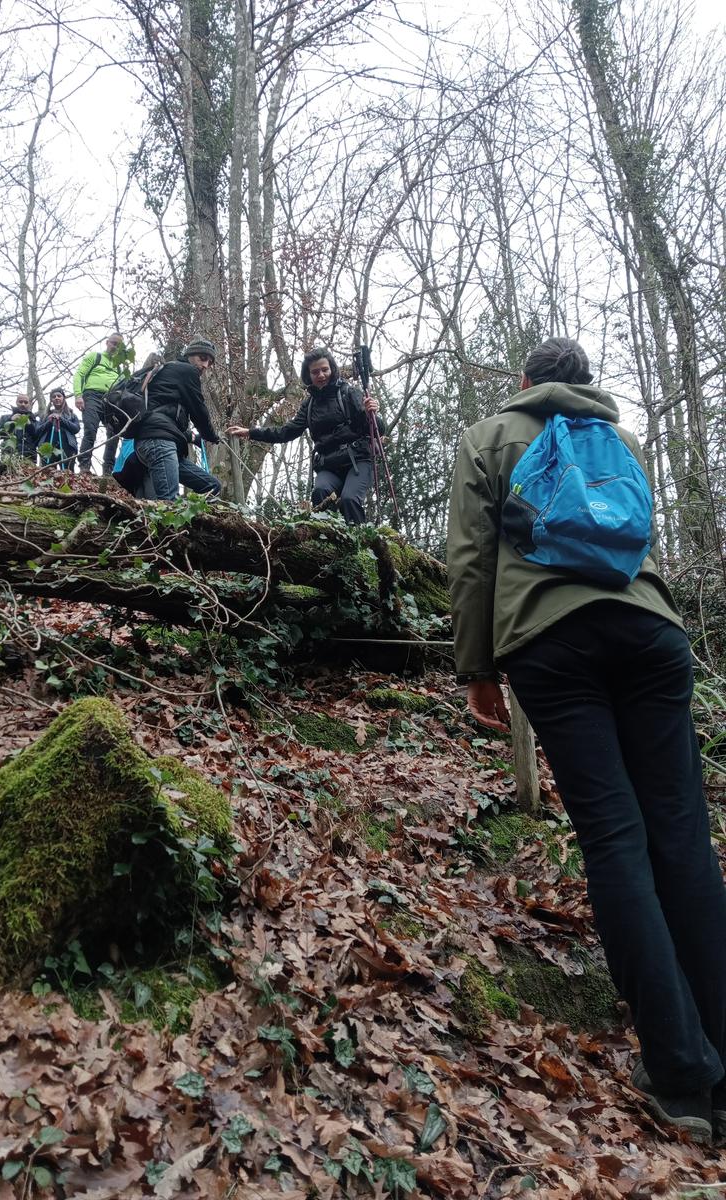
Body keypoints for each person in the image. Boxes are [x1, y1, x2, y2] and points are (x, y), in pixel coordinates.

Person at [446, 335, 726, 1144]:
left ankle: (681, 1076)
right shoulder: (622, 439)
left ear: (523, 380)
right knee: (684, 839)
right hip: (652, 633)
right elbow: (633, 536)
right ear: (587, 382)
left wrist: (477, 668)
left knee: (614, 839)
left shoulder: (489, 436)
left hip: (552, 641)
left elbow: (471, 559)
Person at [227, 346, 383, 525]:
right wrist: (251, 432)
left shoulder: (349, 393)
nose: (321, 375)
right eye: (315, 372)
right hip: (329, 464)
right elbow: (285, 432)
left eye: (325, 370)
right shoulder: (309, 406)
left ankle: (359, 538)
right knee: (320, 492)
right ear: (308, 376)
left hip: (358, 460)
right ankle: (327, 536)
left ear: (332, 369)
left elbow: (378, 429)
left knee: (350, 499)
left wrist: (369, 413)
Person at [127, 337, 221, 500]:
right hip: (158, 442)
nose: (205, 365)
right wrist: (212, 436)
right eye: (203, 358)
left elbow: (169, 415)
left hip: (160, 443)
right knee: (168, 502)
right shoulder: (186, 371)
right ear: (190, 355)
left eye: (210, 363)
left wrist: (192, 437)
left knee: (212, 486)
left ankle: (193, 515)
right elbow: (199, 411)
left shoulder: (171, 372)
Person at [73, 333, 124, 474]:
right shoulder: (95, 357)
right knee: (90, 429)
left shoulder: (119, 367)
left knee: (114, 433)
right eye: (113, 343)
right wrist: (78, 395)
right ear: (107, 342)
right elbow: (79, 374)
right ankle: (84, 466)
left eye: (119, 345)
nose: (115, 347)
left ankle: (108, 470)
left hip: (111, 401)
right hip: (92, 396)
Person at [36, 388, 80, 471]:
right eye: (54, 396)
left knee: (67, 472)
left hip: (68, 447)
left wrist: (62, 420)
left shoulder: (71, 415)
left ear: (63, 398)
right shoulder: (45, 416)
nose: (56, 398)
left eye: (59, 396)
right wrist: (49, 422)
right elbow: (37, 431)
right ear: (51, 400)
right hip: (47, 447)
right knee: (48, 472)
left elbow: (76, 428)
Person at [0, 393, 38, 461]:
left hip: (29, 458)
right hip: (8, 456)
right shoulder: (5, 418)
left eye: (26, 402)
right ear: (16, 402)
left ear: (29, 404)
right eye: (20, 402)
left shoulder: (35, 422)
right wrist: (10, 421)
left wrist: (30, 426)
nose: (23, 404)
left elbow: (39, 439)